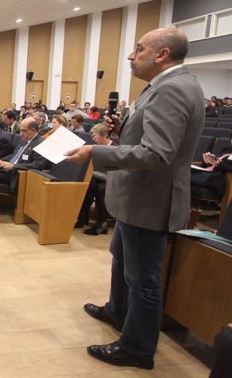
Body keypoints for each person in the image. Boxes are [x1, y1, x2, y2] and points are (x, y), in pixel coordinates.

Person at [65, 27, 204, 370]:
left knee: (143, 279)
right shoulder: (160, 87)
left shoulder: (173, 89)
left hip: (150, 200)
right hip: (135, 197)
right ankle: (117, 311)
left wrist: (98, 150)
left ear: (162, 54)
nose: (131, 55)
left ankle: (138, 349)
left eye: (139, 49)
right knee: (121, 261)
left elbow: (157, 154)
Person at [0, 117, 46, 223]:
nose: (21, 133)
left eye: (24, 130)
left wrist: (14, 166)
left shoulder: (40, 143)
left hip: (20, 174)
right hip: (10, 168)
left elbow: (38, 164)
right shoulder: (24, 140)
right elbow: (13, 155)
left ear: (33, 130)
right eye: (20, 130)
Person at [75, 123, 117, 235]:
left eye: (95, 136)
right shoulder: (97, 148)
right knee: (87, 186)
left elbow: (111, 171)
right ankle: (82, 218)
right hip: (97, 177)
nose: (93, 139)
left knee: (99, 189)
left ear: (103, 135)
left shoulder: (114, 147)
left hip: (110, 179)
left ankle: (102, 223)